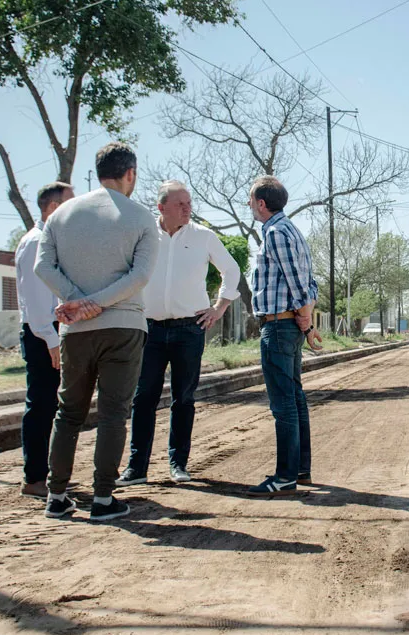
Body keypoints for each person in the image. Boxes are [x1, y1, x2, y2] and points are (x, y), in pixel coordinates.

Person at [35, 142, 158, 522]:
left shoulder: (61, 215)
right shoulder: (140, 217)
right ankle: (103, 498)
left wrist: (77, 301)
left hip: (75, 329)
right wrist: (100, 302)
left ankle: (56, 495)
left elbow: (43, 266)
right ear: (131, 173)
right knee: (113, 414)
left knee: (68, 413)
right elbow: (140, 276)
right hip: (123, 326)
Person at [117, 181, 240, 488]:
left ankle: (178, 464)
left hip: (190, 329)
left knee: (183, 398)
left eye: (189, 203)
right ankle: (137, 468)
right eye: (181, 204)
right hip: (149, 330)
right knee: (143, 398)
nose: (188, 208)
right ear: (161, 208)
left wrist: (219, 307)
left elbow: (232, 270)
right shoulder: (144, 234)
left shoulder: (203, 236)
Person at [246, 176, 323, 498]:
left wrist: (305, 318)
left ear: (261, 203)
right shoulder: (290, 231)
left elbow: (297, 284)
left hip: (279, 326)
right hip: (288, 325)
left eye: (251, 201)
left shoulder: (276, 233)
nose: (250, 206)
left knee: (284, 404)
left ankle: (286, 475)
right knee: (295, 398)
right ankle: (299, 469)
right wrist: (306, 320)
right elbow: (311, 283)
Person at [14, 181, 74, 500]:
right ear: (52, 208)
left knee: (50, 405)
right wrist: (52, 341)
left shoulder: (48, 242)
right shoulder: (37, 242)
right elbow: (37, 304)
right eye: (69, 204)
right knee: (40, 405)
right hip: (42, 335)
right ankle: (34, 477)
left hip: (51, 331)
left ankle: (44, 472)